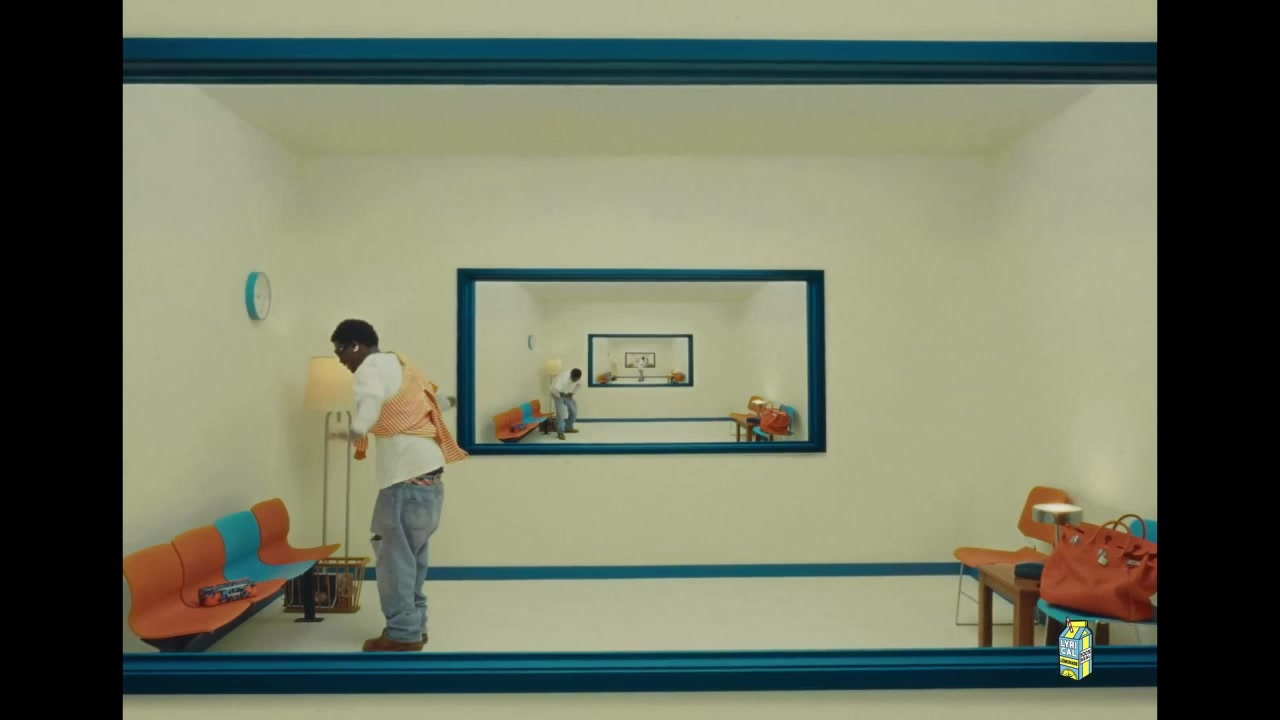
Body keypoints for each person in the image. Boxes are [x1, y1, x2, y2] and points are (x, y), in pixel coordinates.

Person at [331, 319, 468, 652]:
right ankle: (416, 626)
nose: (340, 360)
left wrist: (355, 431)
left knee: (393, 560)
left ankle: (402, 633)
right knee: (413, 559)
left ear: (355, 345)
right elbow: (437, 402)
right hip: (430, 479)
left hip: (404, 481)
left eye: (340, 351)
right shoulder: (403, 366)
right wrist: (452, 400)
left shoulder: (370, 368)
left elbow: (370, 400)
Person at [550, 367, 583, 440]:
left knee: (573, 410)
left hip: (566, 392)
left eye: (576, 380)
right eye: (573, 379)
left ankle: (568, 428)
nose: (574, 381)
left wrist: (573, 393)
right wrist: (560, 394)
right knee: (561, 413)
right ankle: (560, 432)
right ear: (570, 374)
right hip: (556, 393)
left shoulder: (579, 377)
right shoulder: (563, 379)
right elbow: (554, 390)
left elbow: (579, 385)